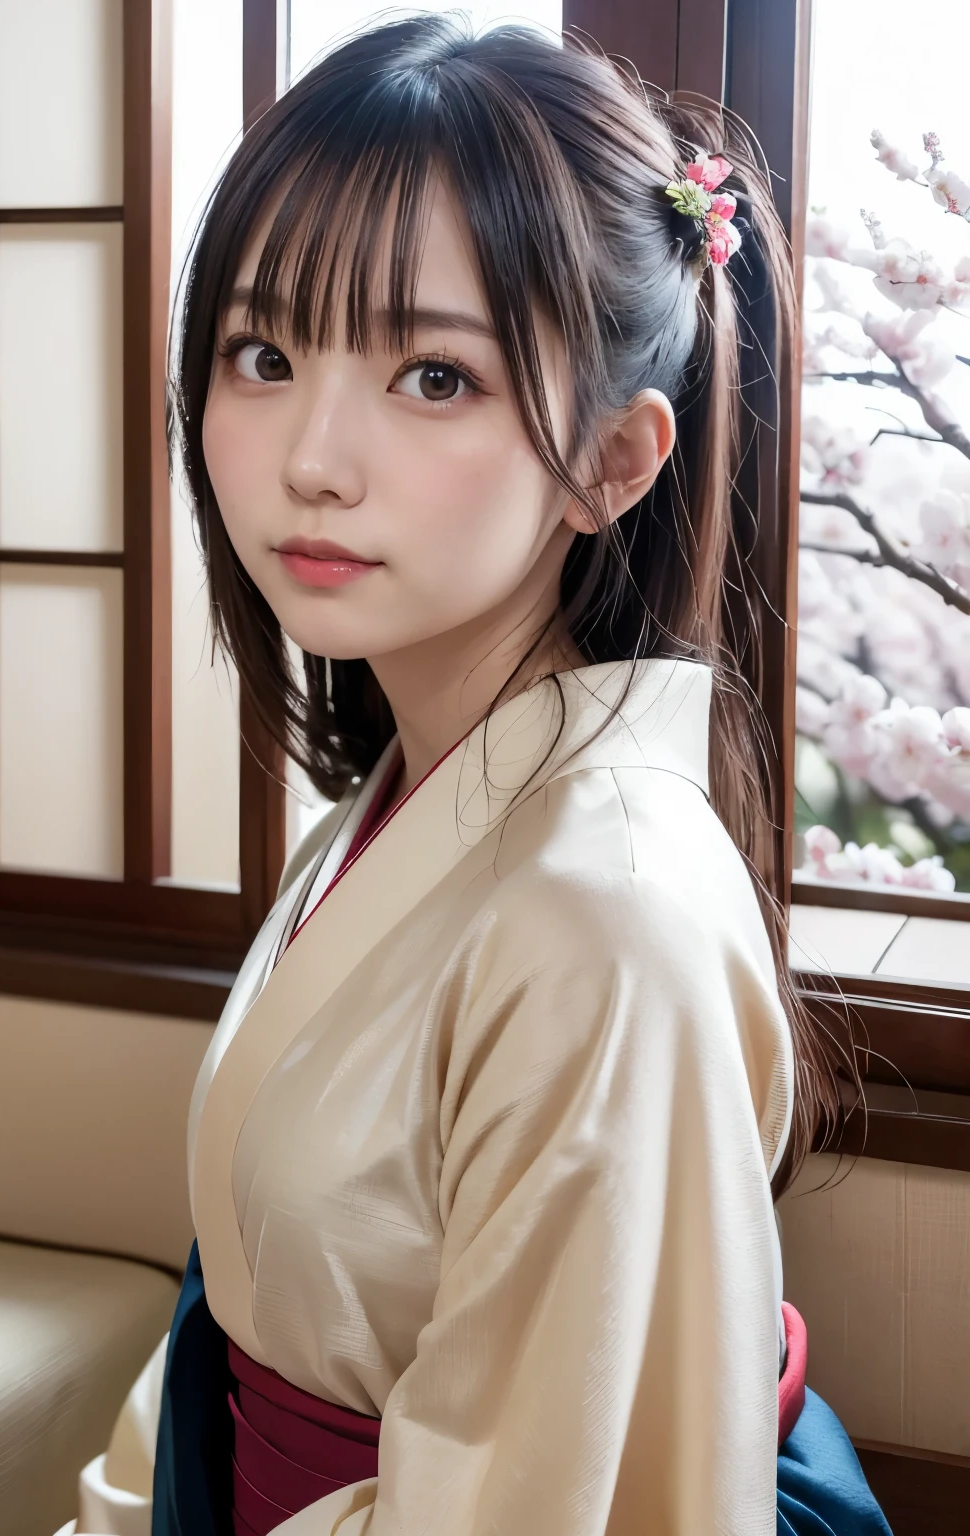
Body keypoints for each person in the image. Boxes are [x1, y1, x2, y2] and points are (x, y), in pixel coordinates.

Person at [69, 15, 891, 1535]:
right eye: (263, 353)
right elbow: (231, 1334)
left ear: (614, 460)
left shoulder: (604, 913)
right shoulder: (390, 808)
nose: (313, 455)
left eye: (433, 376)